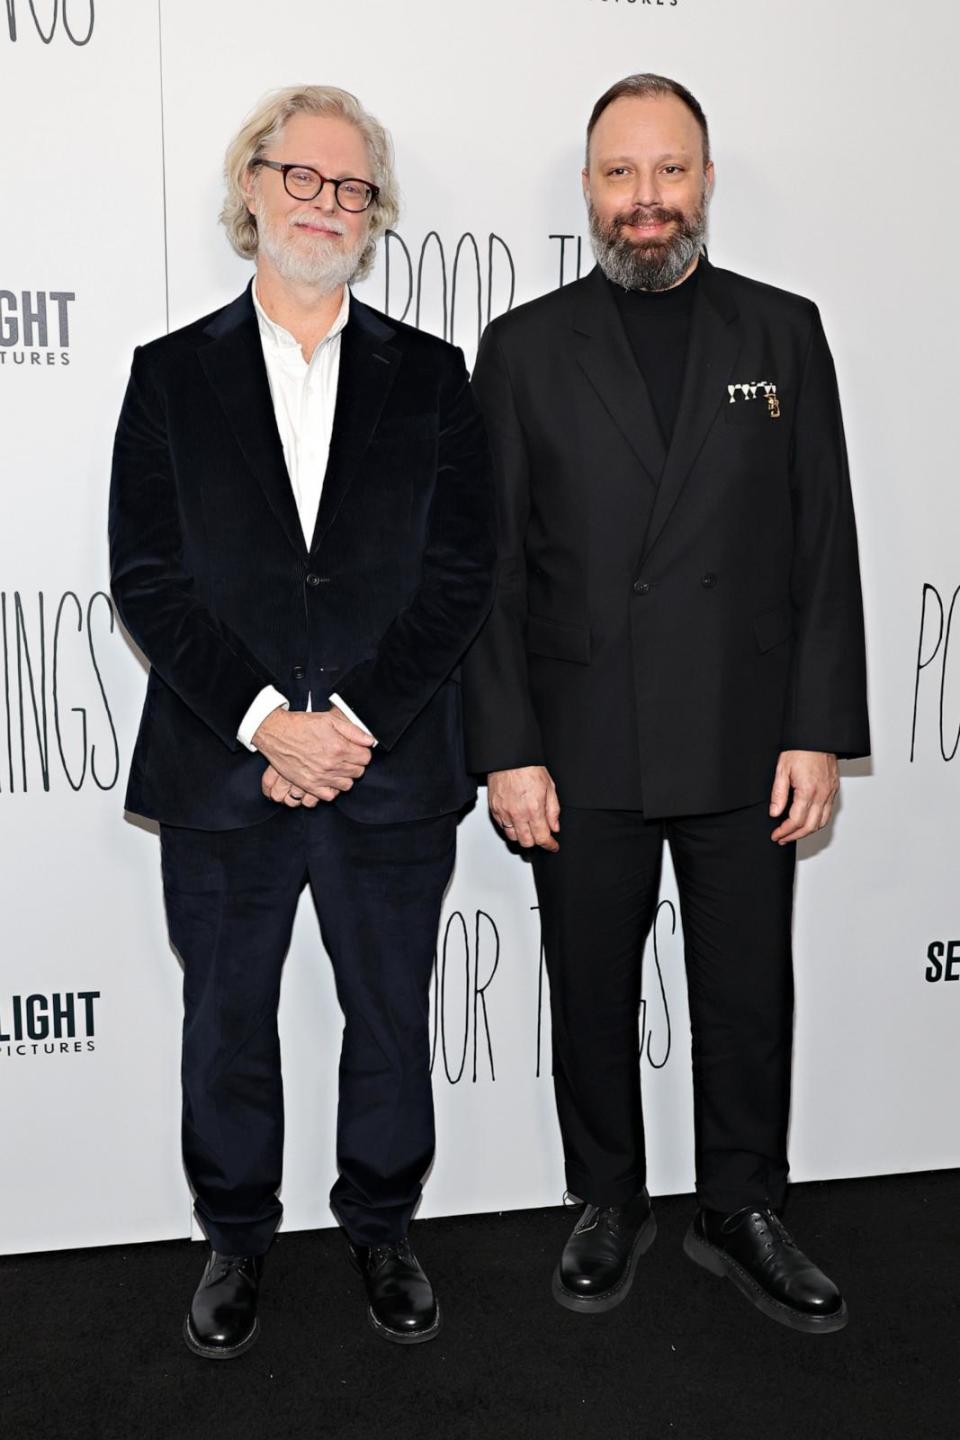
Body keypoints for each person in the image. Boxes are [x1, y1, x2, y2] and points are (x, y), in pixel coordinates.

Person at [462, 73, 869, 1333]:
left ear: (705, 179)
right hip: (581, 748)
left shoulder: (783, 332)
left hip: (750, 742)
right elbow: (490, 572)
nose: (647, 199)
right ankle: (609, 1198)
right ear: (590, 190)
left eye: (670, 171)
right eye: (621, 174)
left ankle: (742, 1209)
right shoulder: (523, 348)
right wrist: (509, 750)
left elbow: (822, 546)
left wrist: (818, 728)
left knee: (748, 991)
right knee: (590, 987)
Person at [110, 85, 494, 1357]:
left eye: (352, 187)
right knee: (227, 1022)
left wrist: (352, 727)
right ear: (251, 186)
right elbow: (149, 578)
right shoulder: (169, 377)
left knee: (389, 1017)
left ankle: (382, 1226)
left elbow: (460, 578)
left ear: (374, 215)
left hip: (388, 774)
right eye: (302, 177)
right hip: (227, 777)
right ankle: (235, 1237)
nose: (325, 204)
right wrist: (271, 723)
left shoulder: (434, 379)